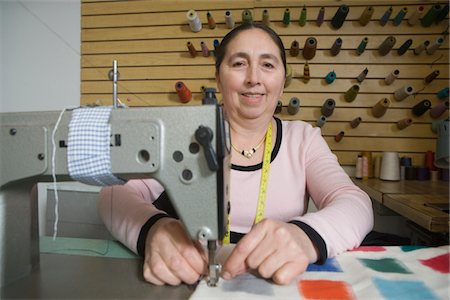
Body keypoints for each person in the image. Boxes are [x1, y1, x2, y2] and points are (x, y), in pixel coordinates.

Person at [97, 23, 373, 286]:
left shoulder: (302, 140)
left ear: (282, 81)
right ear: (218, 78)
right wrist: (154, 229)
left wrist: (305, 237)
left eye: (267, 64)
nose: (253, 78)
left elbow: (355, 203)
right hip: (190, 280)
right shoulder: (184, 135)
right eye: (239, 64)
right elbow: (114, 194)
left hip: (277, 285)